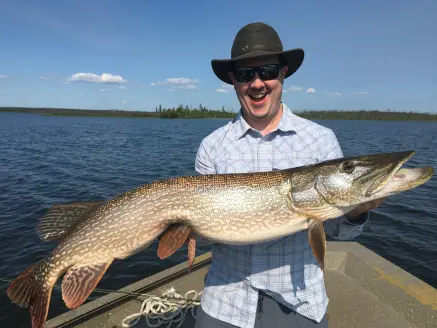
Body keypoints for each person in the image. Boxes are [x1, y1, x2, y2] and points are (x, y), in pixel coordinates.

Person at [193, 22, 385, 328]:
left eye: (267, 70)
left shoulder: (320, 140)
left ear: (283, 73)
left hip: (298, 302)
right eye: (245, 75)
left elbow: (339, 233)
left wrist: (356, 209)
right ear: (233, 80)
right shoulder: (212, 147)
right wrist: (184, 230)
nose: (257, 83)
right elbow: (206, 235)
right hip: (224, 300)